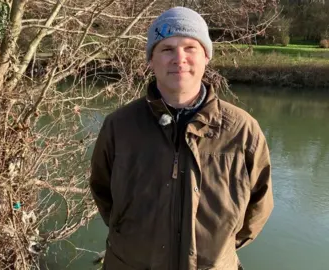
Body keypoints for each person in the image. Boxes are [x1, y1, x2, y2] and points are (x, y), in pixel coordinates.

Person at [89, 6, 273, 270]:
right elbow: (102, 190)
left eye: (190, 48)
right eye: (166, 49)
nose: (179, 58)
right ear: (151, 60)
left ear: (206, 56)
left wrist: (220, 251)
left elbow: (260, 203)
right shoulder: (119, 126)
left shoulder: (242, 130)